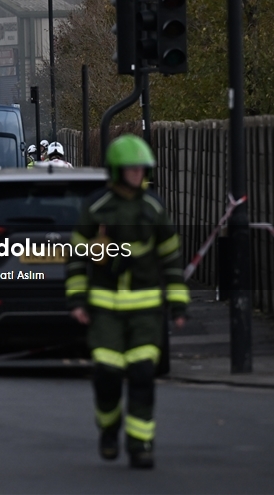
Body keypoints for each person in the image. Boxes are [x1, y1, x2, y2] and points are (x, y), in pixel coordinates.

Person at [65, 134, 187, 469]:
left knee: (143, 374)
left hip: (146, 311)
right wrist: (77, 301)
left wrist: (178, 304)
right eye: (131, 168)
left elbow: (171, 259)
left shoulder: (154, 208)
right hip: (105, 310)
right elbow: (76, 259)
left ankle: (140, 443)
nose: (137, 174)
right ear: (118, 171)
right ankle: (108, 427)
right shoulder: (97, 208)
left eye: (141, 168)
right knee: (107, 374)